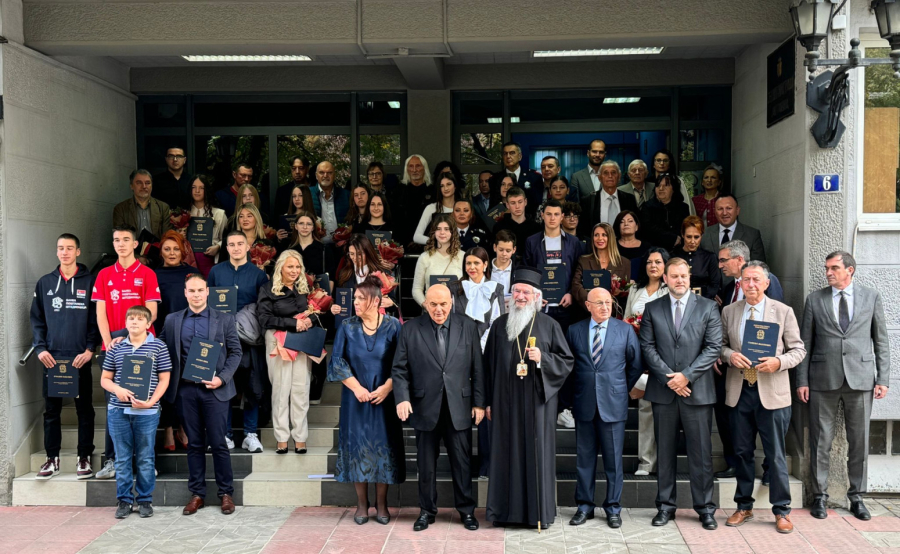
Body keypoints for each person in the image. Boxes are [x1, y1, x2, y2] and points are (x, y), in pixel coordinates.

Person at [796, 251, 890, 521]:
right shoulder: (815, 299)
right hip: (822, 379)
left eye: (834, 268)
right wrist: (802, 380)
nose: (828, 272)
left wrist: (883, 378)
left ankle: (857, 497)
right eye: (827, 268)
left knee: (858, 442)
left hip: (861, 380)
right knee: (819, 441)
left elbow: (881, 340)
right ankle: (820, 496)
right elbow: (805, 343)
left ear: (850, 270)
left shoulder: (871, 297)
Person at [483, 267, 574, 528]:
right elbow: (487, 366)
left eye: (526, 292)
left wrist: (543, 359)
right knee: (504, 454)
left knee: (536, 454)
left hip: (537, 404)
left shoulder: (550, 325)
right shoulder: (500, 325)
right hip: (503, 403)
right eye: (517, 291)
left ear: (537, 297)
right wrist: (487, 401)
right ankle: (502, 513)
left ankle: (538, 514)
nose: (521, 296)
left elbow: (567, 361)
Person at [720, 262, 806, 534]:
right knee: (742, 452)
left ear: (767, 283)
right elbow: (719, 346)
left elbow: (798, 350)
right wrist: (729, 355)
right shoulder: (729, 311)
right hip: (740, 390)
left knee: (776, 455)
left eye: (756, 280)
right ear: (740, 283)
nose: (751, 285)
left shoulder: (783, 311)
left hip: (772, 393)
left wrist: (779, 362)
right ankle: (743, 506)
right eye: (746, 280)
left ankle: (781, 511)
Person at [392, 285, 485, 532]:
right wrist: (402, 398)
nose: (439, 309)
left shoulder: (468, 326)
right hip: (424, 408)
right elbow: (399, 369)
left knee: (462, 464)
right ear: (425, 305)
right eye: (433, 304)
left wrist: (478, 402)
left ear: (451, 303)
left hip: (460, 407)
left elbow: (478, 368)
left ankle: (466, 511)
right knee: (425, 465)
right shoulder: (410, 329)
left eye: (443, 304)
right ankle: (426, 511)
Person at [640, 257, 722, 531]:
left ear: (690, 277)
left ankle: (705, 509)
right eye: (674, 276)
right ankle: (665, 507)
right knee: (664, 453)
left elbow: (713, 347)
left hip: (697, 392)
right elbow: (647, 347)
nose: (679, 281)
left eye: (684, 276)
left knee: (701, 454)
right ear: (665, 278)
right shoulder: (652, 309)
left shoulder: (708, 307)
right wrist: (670, 379)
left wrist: (686, 376)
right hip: (664, 393)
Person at [159, 274, 242, 516]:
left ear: (208, 292)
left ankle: (226, 494)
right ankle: (197, 494)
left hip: (214, 390)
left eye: (200, 290)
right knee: (194, 444)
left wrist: (222, 378)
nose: (196, 294)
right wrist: (124, 335)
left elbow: (236, 353)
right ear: (185, 293)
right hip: (185, 389)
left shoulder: (224, 319)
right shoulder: (173, 320)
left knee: (218, 442)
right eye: (191, 291)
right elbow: (160, 346)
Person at [329, 276, 406, 525]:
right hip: (356, 400)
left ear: (375, 301)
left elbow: (403, 362)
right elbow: (338, 362)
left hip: (385, 398)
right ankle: (362, 504)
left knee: (383, 449)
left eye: (361, 298)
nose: (355, 303)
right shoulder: (347, 327)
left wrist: (387, 387)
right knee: (357, 449)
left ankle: (381, 504)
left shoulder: (394, 326)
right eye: (355, 299)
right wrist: (356, 388)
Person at [567, 288, 643, 528]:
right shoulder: (574, 330)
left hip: (613, 404)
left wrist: (619, 388)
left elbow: (635, 364)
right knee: (584, 460)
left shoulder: (625, 330)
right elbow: (568, 367)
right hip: (584, 404)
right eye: (599, 303)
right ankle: (584, 507)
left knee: (613, 462)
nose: (604, 307)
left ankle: (613, 508)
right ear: (588, 305)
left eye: (608, 302)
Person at [92, 225, 161, 480]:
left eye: (125, 240)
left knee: (143, 404)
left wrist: (128, 334)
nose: (120, 244)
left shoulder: (147, 274)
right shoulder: (103, 275)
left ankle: (146, 462)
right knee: (115, 406)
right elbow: (100, 313)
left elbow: (151, 312)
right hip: (112, 348)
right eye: (116, 240)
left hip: (141, 346)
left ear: (135, 244)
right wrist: (109, 341)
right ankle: (111, 461)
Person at [31, 233, 98, 480]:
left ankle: (84, 457)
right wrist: (40, 349)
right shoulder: (45, 283)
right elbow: (37, 320)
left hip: (79, 357)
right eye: (61, 248)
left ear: (78, 252)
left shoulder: (90, 282)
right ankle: (52, 459)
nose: (65, 252)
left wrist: (90, 349)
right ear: (56, 251)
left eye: (70, 248)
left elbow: (94, 320)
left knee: (85, 409)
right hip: (52, 358)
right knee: (51, 411)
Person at [101, 306, 171, 519]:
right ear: (125, 322)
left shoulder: (159, 346)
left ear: (148, 324)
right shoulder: (116, 348)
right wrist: (117, 389)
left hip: (147, 413)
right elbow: (105, 379)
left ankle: (145, 500)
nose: (134, 322)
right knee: (122, 458)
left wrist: (151, 402)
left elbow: (164, 379)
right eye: (130, 318)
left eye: (140, 319)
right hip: (118, 411)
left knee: (145, 458)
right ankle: (123, 500)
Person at [207, 230, 270, 452]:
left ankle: (250, 434)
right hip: (221, 337)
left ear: (247, 247)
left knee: (251, 386)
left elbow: (263, 308)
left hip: (248, 339)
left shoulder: (258, 275)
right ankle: (226, 435)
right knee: (223, 384)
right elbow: (209, 303)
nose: (235, 248)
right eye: (231, 244)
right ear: (226, 247)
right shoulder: (216, 272)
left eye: (239, 244)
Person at [449, 246, 505, 480]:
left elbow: (498, 321)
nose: (471, 268)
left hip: (486, 352)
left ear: (485, 265)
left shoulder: (496, 288)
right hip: (461, 353)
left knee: (486, 409)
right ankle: (461, 466)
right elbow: (451, 319)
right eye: (468, 264)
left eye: (476, 263)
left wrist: (480, 344)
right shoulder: (456, 288)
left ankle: (486, 465)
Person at [258, 250, 321, 455]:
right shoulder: (268, 289)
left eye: (297, 267)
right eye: (290, 267)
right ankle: (282, 438)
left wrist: (308, 321)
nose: (294, 271)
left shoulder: (305, 289)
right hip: (278, 341)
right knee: (281, 390)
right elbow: (264, 319)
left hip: (301, 341)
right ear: (280, 268)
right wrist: (293, 323)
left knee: (301, 389)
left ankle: (300, 438)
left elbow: (317, 313)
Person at [623, 248, 670, 476]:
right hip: (640, 357)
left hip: (665, 357)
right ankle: (646, 462)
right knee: (645, 407)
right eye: (650, 262)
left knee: (666, 411)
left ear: (665, 266)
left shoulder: (670, 290)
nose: (653, 266)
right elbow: (625, 320)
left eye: (658, 262)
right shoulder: (635, 289)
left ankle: (665, 464)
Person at [154, 231, 196, 451]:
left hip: (189, 335)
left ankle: (183, 427)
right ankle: (168, 429)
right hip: (163, 335)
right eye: (167, 249)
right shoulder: (153, 274)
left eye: (176, 249)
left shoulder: (192, 274)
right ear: (161, 251)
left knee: (186, 385)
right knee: (167, 383)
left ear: (183, 250)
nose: (172, 253)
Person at [523, 200, 583, 334]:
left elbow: (578, 271)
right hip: (540, 305)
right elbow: (528, 271)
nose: (552, 218)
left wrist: (571, 293)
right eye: (549, 214)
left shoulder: (573, 242)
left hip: (566, 305)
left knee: (566, 346)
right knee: (542, 346)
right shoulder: (531, 242)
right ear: (542, 215)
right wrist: (535, 294)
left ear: (562, 217)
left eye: (556, 214)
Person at [571, 222, 632, 312]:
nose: (600, 238)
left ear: (611, 238)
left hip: (614, 314)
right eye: (596, 235)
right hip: (587, 313)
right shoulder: (583, 260)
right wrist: (593, 303)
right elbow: (576, 286)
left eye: (604, 235)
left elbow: (626, 291)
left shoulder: (625, 262)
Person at [411, 215, 465, 307]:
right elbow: (416, 289)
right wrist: (427, 306)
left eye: (446, 229)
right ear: (433, 232)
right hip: (431, 312)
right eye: (438, 229)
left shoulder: (463, 256)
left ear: (453, 232)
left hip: (457, 312)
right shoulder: (425, 257)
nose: (442, 232)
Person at [112, 170, 174, 249]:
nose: (144, 186)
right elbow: (119, 239)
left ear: (151, 185)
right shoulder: (120, 209)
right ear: (131, 186)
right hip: (131, 256)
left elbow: (167, 236)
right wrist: (135, 257)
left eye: (147, 183)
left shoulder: (163, 207)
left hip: (158, 256)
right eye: (139, 183)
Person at [699, 194, 767, 266]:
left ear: (737, 210)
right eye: (720, 209)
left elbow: (758, 267)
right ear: (715, 212)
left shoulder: (752, 235)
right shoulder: (705, 234)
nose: (724, 213)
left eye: (729, 208)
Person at [578, 161, 639, 235]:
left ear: (619, 176)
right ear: (599, 177)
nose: (610, 176)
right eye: (605, 173)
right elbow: (584, 228)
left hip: (624, 243)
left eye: (613, 172)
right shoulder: (588, 201)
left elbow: (636, 225)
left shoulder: (629, 199)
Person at [717, 240, 784, 307]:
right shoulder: (729, 288)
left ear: (739, 259)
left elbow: (776, 310)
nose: (720, 266)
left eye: (723, 260)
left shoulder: (765, 278)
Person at [670, 216, 720, 301]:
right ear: (682, 235)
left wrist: (702, 302)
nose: (692, 241)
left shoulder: (710, 257)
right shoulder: (673, 256)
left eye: (696, 237)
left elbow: (715, 285)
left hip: (704, 303)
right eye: (689, 237)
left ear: (702, 236)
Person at [189, 175, 227, 276]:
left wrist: (218, 247)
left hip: (211, 261)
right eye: (194, 187)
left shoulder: (219, 214)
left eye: (201, 188)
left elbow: (226, 239)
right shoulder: (183, 213)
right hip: (188, 261)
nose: (197, 191)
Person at [640, 173, 689, 250]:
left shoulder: (683, 207)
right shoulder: (647, 206)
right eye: (658, 186)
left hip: (677, 250)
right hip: (654, 249)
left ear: (673, 189)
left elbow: (685, 229)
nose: (661, 188)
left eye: (666, 185)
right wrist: (672, 238)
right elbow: (648, 229)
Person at [491, 142, 543, 214]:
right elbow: (493, 204)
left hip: (527, 221)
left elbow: (537, 204)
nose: (508, 156)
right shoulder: (495, 179)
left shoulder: (534, 177)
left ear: (520, 156)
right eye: (505, 154)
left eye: (512, 153)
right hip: (503, 222)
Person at [414, 174, 463, 245]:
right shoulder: (431, 208)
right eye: (442, 186)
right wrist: (438, 241)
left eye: (449, 184)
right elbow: (417, 237)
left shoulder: (462, 208)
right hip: (436, 252)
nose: (445, 188)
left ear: (455, 186)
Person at [397, 154, 432, 245]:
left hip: (427, 242)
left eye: (418, 166)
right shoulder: (399, 191)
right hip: (404, 242)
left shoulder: (433, 191)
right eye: (411, 166)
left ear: (424, 168)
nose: (414, 170)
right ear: (407, 169)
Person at [311, 161, 350, 243]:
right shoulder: (308, 194)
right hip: (315, 244)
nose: (325, 176)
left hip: (340, 245)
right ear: (316, 175)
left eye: (329, 173)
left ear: (334, 175)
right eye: (322, 172)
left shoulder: (346, 195)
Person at [647, 149, 695, 215]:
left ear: (670, 163)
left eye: (665, 160)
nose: (662, 163)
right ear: (653, 164)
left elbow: (685, 202)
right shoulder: (647, 181)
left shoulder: (677, 180)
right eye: (658, 160)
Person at [290, 211, 332, 278]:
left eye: (309, 224)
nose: (305, 227)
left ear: (313, 227)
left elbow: (330, 277)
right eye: (301, 223)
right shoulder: (289, 250)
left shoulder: (324, 249)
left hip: (318, 287)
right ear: (296, 226)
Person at [276, 183, 315, 250]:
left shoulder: (316, 219)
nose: (297, 199)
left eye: (300, 196)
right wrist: (279, 237)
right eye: (294, 196)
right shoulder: (286, 217)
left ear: (306, 197)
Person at [614, 210, 650, 281]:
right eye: (622, 222)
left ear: (636, 226)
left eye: (630, 221)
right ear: (618, 227)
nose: (626, 224)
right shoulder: (612, 245)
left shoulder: (646, 247)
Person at [489, 230, 518, 307]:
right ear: (495, 247)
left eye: (508, 251)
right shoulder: (485, 269)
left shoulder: (518, 271)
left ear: (514, 250)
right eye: (501, 250)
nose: (504, 254)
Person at [692, 164, 724, 229]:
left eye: (713, 177)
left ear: (719, 182)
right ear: (702, 182)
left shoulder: (724, 199)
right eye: (706, 177)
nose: (709, 180)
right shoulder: (695, 201)